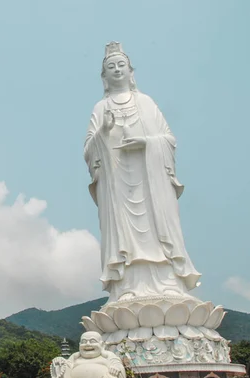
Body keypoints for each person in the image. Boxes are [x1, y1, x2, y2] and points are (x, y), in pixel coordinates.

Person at [83, 42, 201, 302]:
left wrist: (146, 143)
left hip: (150, 181)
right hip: (118, 185)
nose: (116, 70)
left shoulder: (146, 102)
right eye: (110, 67)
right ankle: (127, 285)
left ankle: (168, 281)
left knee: (156, 228)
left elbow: (168, 139)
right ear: (103, 76)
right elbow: (88, 150)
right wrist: (104, 130)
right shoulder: (100, 109)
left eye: (121, 65)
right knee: (124, 232)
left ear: (131, 71)